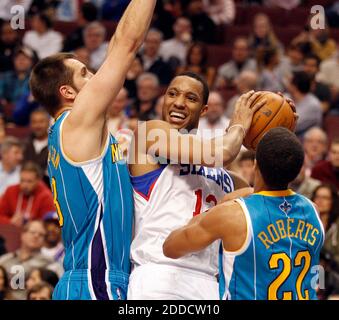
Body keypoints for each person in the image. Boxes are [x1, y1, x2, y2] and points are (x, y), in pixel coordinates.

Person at [29, 0, 157, 300]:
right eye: (86, 73)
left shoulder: (75, 131)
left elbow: (117, 46)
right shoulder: (75, 122)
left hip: (90, 277)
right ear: (68, 92)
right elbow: (127, 45)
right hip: (94, 279)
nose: (96, 77)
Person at [127, 73, 274, 300]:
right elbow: (222, 152)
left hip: (209, 282)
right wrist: (238, 126)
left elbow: (268, 196)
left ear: (203, 110)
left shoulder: (233, 181)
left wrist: (275, 130)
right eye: (172, 94)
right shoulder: (149, 134)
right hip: (159, 275)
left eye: (190, 98)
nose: (178, 102)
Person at [164, 127, 324, 300]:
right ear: (297, 170)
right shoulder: (313, 211)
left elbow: (171, 247)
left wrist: (222, 203)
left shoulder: (233, 214)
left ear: (256, 164)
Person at [0, 221, 54, 300]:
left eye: (41, 235)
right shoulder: (5, 259)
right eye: (33, 232)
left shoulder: (50, 262)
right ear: (23, 234)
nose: (36, 236)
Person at [0, 161, 55, 226]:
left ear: (38, 180)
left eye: (29, 181)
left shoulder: (46, 196)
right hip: (11, 230)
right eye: (22, 180)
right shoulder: (10, 191)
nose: (25, 185)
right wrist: (10, 221)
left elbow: (48, 224)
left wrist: (30, 225)